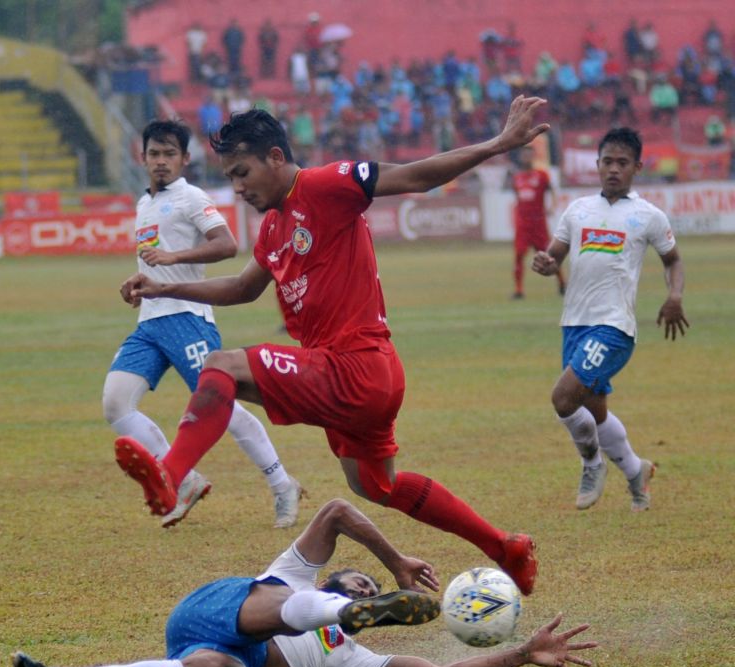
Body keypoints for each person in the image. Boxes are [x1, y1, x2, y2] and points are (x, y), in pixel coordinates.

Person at [113, 97, 550, 595]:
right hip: (363, 376)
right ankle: (505, 547)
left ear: (275, 157)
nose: (237, 187)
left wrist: (498, 144)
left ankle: (170, 476)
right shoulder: (275, 226)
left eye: (242, 172)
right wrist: (167, 285)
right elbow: (243, 288)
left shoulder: (324, 185)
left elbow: (414, 176)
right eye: (230, 177)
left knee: (221, 365)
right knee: (375, 485)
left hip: (354, 365)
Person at [11, 499, 596, 667]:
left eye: (371, 592)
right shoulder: (293, 575)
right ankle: (332, 613)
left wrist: (522, 654)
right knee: (283, 598)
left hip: (229, 664)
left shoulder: (356, 663)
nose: (365, 584)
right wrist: (394, 563)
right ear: (333, 580)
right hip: (220, 610)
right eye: (358, 583)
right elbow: (339, 511)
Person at [106, 120, 303, 528]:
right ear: (142, 158)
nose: (161, 162)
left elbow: (227, 244)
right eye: (154, 154)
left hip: (187, 318)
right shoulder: (144, 204)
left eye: (169, 154)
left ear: (184, 159)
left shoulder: (190, 198)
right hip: (150, 320)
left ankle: (282, 483)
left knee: (223, 409)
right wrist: (138, 283)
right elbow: (154, 260)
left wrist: (174, 263)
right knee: (116, 402)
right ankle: (183, 480)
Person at [532, 127, 687, 512]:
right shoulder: (578, 209)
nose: (613, 169)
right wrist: (546, 263)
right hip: (575, 323)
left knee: (563, 398)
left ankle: (591, 464)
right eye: (607, 162)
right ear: (597, 165)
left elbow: (673, 260)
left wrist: (674, 295)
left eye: (622, 163)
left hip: (615, 326)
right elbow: (554, 256)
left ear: (637, 167)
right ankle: (637, 472)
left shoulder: (647, 215)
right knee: (594, 410)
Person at [506, 145, 563, 299]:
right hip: (523, 225)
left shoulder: (541, 175)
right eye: (525, 155)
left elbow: (551, 190)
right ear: (520, 157)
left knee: (549, 255)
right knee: (518, 255)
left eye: (530, 155)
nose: (527, 158)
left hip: (539, 224)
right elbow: (517, 198)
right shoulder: (517, 177)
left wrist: (552, 206)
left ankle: (562, 283)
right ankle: (518, 290)